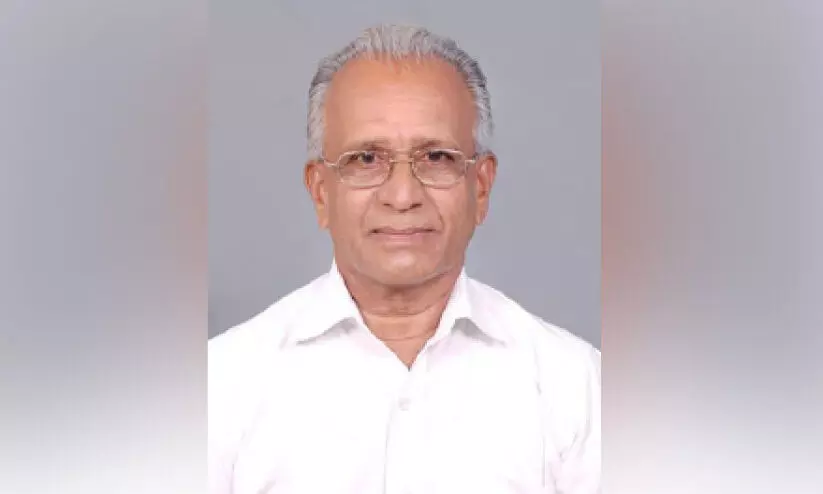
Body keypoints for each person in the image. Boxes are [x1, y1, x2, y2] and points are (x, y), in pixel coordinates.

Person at [209, 23, 601, 494]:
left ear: (480, 188)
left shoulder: (575, 386)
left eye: (436, 157)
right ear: (320, 192)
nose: (402, 195)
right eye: (365, 160)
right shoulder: (222, 385)